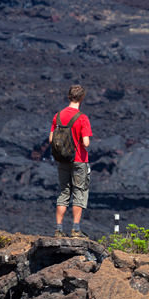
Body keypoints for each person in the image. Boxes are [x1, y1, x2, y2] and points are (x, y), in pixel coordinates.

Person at [49, 84, 93, 238]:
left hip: (63, 159)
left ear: (69, 97)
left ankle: (59, 229)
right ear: (82, 98)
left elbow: (51, 139)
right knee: (79, 192)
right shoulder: (82, 118)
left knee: (64, 192)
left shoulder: (58, 116)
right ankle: (75, 229)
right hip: (79, 159)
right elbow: (86, 143)